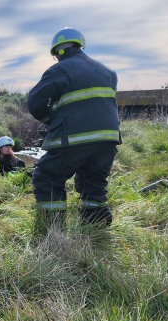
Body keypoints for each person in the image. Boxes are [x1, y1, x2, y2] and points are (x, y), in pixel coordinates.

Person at [27, 27, 121, 232]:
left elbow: (34, 102)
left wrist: (51, 121)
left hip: (75, 137)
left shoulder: (59, 70)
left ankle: (53, 230)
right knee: (93, 181)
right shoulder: (108, 72)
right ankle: (95, 228)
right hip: (109, 139)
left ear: (56, 53)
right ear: (80, 45)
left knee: (47, 177)